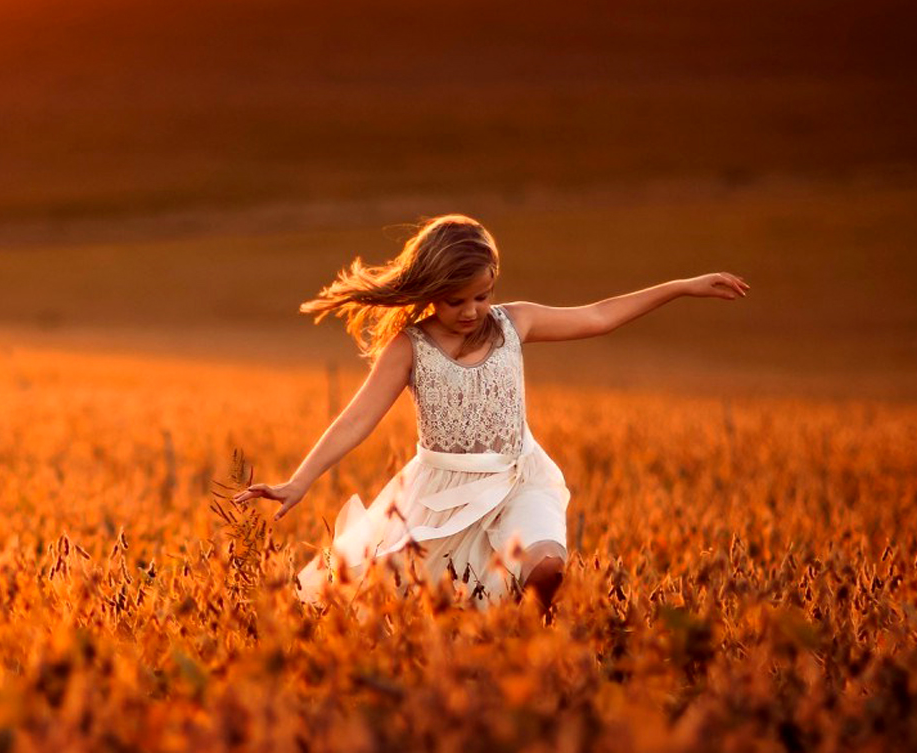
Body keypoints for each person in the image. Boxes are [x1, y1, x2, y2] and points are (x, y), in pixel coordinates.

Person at [231, 214, 749, 617]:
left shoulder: (513, 324)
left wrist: (682, 285)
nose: (472, 310)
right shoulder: (409, 347)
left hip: (519, 478)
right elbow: (355, 419)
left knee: (546, 566)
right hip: (441, 497)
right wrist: (298, 482)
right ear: (428, 291)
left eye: (483, 295)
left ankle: (537, 643)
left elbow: (598, 316)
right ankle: (494, 657)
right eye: (456, 300)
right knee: (417, 608)